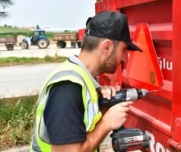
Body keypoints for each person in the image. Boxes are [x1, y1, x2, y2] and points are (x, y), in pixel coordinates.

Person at [30, 11, 143, 152]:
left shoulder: (81, 79)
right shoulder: (68, 87)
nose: (124, 58)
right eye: (123, 50)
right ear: (106, 47)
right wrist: (106, 122)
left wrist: (101, 109)